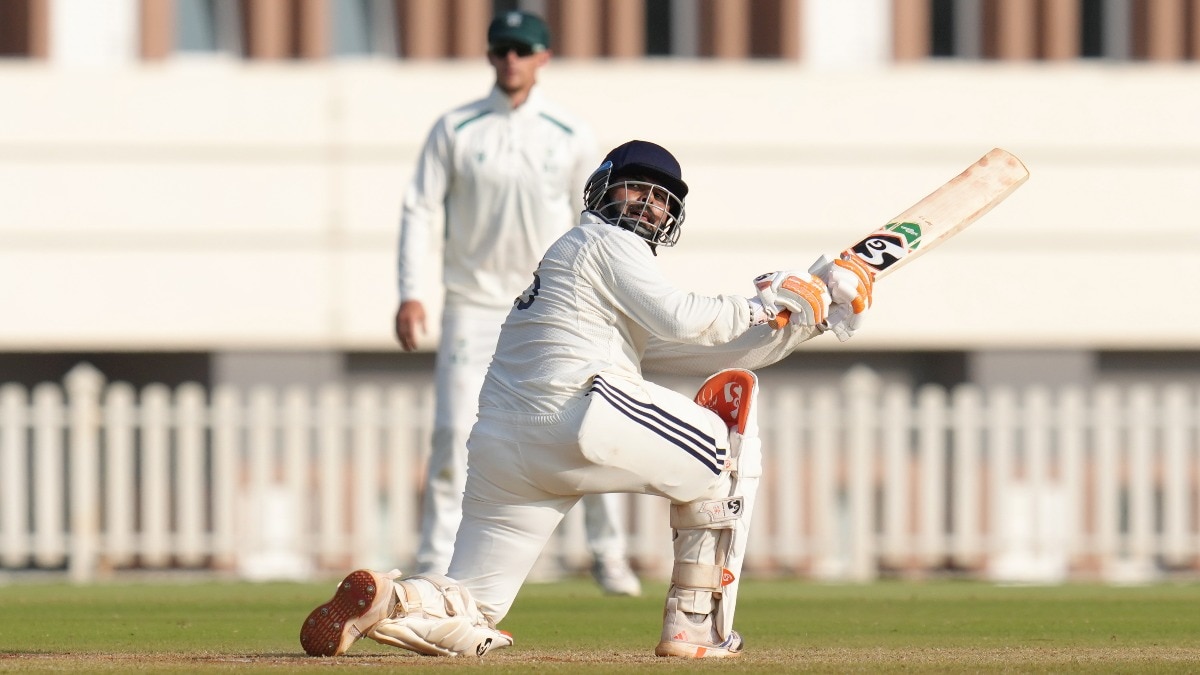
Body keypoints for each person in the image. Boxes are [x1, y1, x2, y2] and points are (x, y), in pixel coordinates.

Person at [302, 140, 875, 659]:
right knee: (728, 450)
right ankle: (695, 626)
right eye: (637, 188)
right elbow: (687, 318)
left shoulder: (587, 276)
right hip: (576, 413)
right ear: (602, 189)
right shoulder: (601, 240)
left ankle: (393, 600)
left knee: (476, 603)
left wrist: (808, 315)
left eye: (662, 198)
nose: (649, 204)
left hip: (507, 449)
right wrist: (770, 298)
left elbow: (704, 354)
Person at [393, 10, 640, 595]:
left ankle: (609, 555)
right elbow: (420, 209)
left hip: (547, 303)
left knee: (590, 419)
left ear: (542, 58)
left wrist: (607, 295)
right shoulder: (455, 129)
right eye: (502, 49)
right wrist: (410, 292)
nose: (511, 59)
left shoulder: (568, 132)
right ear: (489, 55)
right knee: (454, 432)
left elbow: (597, 220)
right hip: (471, 303)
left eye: (522, 50)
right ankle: (435, 563)